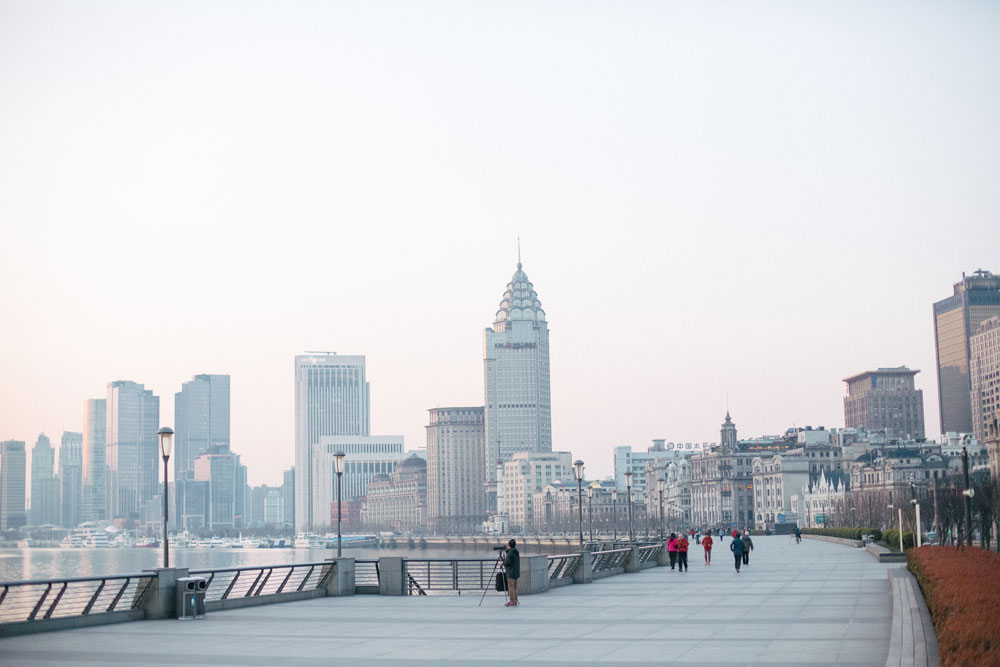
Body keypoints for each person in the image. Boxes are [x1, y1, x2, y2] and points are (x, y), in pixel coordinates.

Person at [503, 539, 520, 606]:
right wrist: (507, 551)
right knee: (515, 587)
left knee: (511, 588)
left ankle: (512, 601)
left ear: (509, 545)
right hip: (516, 572)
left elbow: (507, 563)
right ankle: (515, 601)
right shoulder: (516, 551)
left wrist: (502, 563)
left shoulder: (510, 553)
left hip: (511, 573)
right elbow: (512, 560)